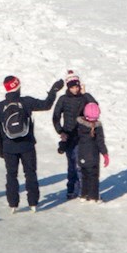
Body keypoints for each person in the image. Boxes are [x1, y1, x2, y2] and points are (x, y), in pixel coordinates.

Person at [0, 74, 61, 212]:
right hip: (27, 145)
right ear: (18, 87)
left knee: (11, 175)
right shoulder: (26, 102)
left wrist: (0, 147)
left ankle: (13, 204)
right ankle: (33, 203)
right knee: (30, 173)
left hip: (8, 147)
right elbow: (46, 105)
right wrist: (53, 91)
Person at [50, 71, 100, 202]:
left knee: (80, 164)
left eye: (77, 86)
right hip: (69, 137)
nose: (75, 89)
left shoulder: (84, 98)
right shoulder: (63, 99)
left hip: (82, 137)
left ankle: (84, 191)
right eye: (72, 87)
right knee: (71, 165)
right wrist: (61, 132)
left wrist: (85, 93)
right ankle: (71, 189)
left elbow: (95, 107)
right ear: (68, 87)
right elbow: (55, 117)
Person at [72, 102, 109, 203]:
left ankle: (83, 195)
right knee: (93, 176)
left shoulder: (79, 125)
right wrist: (105, 154)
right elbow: (100, 142)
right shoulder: (97, 127)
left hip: (82, 155)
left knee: (84, 175)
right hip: (93, 156)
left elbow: (74, 137)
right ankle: (93, 196)